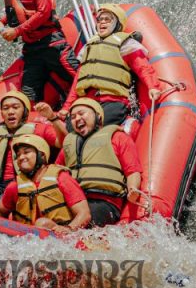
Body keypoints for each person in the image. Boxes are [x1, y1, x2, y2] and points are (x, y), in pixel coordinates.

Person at [48, 3, 167, 127]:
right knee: (71, 129)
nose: (102, 22)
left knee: (92, 126)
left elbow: (143, 67)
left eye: (107, 19)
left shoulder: (126, 44)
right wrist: (67, 107)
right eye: (99, 19)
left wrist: (153, 86)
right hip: (88, 103)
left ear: (117, 23)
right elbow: (78, 81)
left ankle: (128, 126)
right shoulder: (89, 47)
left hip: (113, 102)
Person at [57, 97, 146, 227]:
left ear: (98, 117)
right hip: (73, 203)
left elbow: (132, 170)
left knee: (83, 223)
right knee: (45, 221)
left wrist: (132, 188)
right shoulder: (70, 144)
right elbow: (56, 172)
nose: (77, 119)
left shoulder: (118, 137)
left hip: (104, 203)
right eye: (73, 117)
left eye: (81, 113)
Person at [0, 134, 91, 233]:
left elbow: (84, 214)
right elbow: (1, 211)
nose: (20, 157)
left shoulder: (62, 178)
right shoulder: (14, 187)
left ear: (42, 155)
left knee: (42, 223)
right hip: (26, 240)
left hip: (61, 237)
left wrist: (69, 229)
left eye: (26, 152)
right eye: (18, 155)